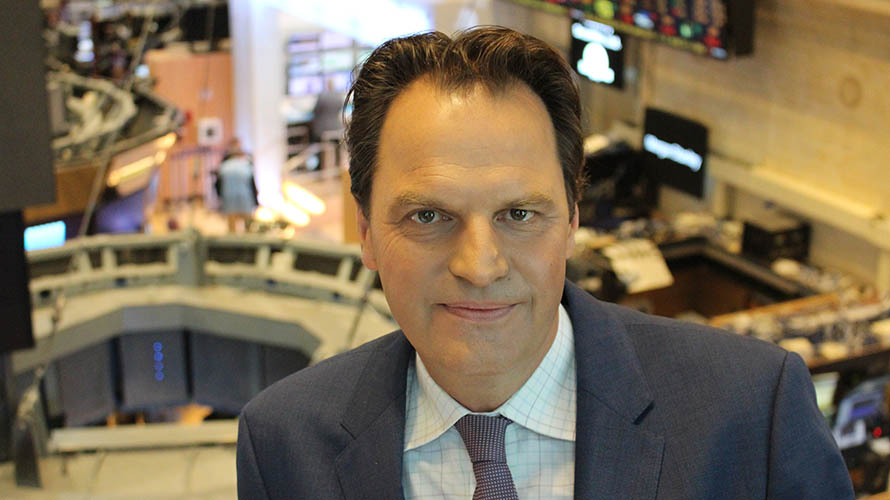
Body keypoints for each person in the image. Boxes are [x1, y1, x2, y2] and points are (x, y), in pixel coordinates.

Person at [237, 26, 853, 499]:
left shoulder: (751, 413)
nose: (480, 266)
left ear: (573, 220)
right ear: (367, 232)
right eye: (429, 216)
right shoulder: (285, 444)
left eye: (520, 214)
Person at [216, 138, 257, 233]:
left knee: (236, 227)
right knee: (246, 226)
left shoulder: (224, 166)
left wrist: (220, 198)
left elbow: (218, 185)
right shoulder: (246, 164)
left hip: (233, 198)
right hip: (241, 198)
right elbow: (252, 184)